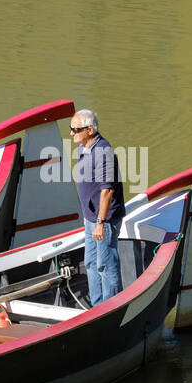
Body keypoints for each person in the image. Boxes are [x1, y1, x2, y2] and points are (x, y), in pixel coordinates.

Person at [71, 109, 125, 305]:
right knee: (91, 264)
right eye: (71, 128)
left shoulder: (103, 152)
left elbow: (107, 191)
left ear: (90, 129)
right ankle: (98, 305)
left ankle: (113, 306)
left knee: (105, 264)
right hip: (91, 218)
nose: (71, 133)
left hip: (105, 220)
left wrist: (100, 221)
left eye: (76, 129)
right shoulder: (83, 148)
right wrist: (88, 213)